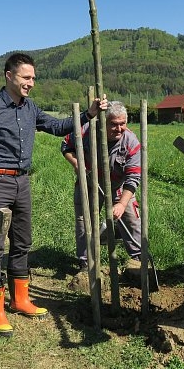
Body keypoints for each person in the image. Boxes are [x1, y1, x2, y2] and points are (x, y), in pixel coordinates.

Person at [0, 52, 107, 337]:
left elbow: (56, 126)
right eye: (26, 77)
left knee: (23, 242)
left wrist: (89, 114)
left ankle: (20, 299)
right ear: (8, 75)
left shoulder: (30, 108)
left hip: (22, 183)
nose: (31, 83)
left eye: (33, 78)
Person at [61, 101, 142, 272]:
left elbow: (133, 178)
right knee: (85, 222)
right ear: (103, 122)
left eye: (122, 124)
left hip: (119, 188)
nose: (119, 129)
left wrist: (121, 204)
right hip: (90, 184)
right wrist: (76, 162)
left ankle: (138, 259)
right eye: (114, 124)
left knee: (131, 221)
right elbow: (65, 146)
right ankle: (85, 262)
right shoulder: (86, 131)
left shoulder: (131, 142)